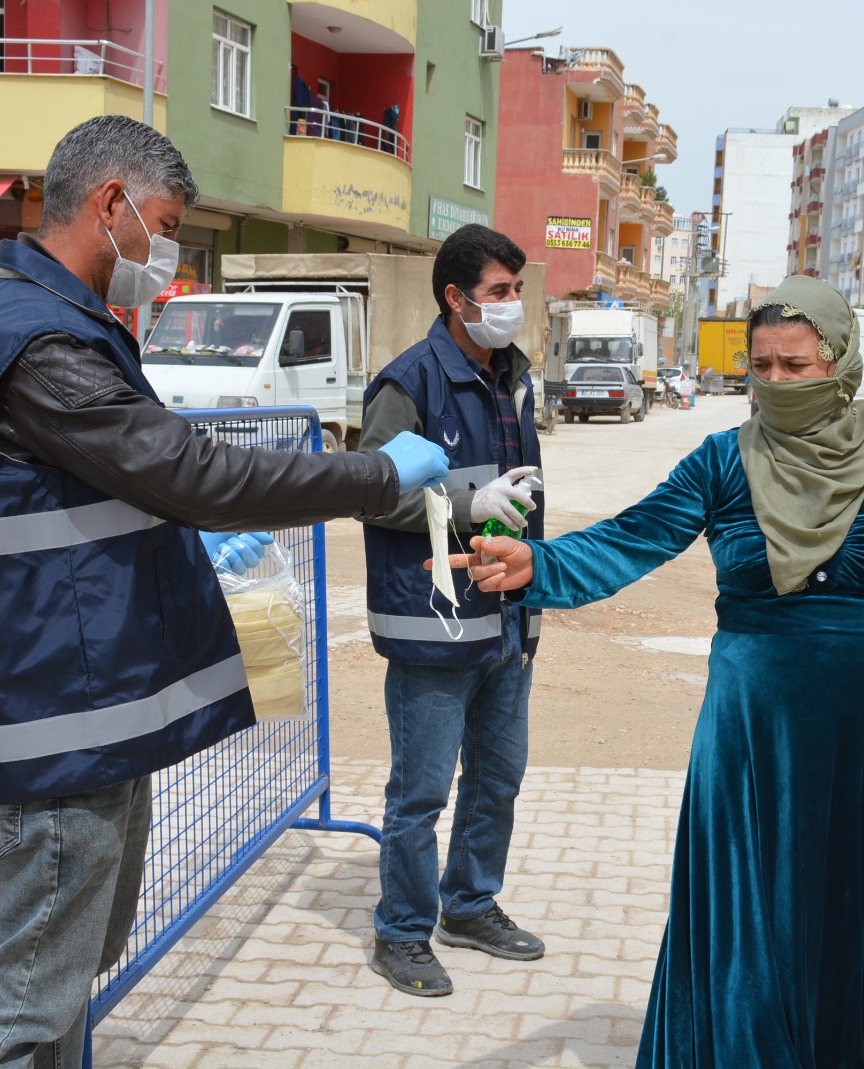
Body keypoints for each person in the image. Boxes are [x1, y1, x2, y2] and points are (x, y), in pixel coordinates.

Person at [0, 114, 449, 1069]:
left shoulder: (70, 325)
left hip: (81, 718)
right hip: (54, 732)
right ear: (110, 204)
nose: (164, 252)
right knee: (15, 1009)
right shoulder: (35, 339)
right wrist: (375, 474)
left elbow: (124, 490)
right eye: (162, 225)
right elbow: (192, 473)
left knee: (61, 983)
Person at [452, 275, 864, 1066]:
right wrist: (535, 563)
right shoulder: (724, 462)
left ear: (840, 361)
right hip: (753, 736)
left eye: (798, 366)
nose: (777, 383)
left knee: (858, 921)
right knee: (749, 929)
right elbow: (628, 540)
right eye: (763, 367)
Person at [357, 223, 547, 997]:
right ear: (455, 297)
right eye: (498, 292)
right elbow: (371, 489)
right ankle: (401, 931)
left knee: (498, 776)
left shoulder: (513, 374)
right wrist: (472, 501)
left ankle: (468, 904)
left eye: (515, 291)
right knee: (423, 790)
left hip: (505, 612)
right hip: (434, 622)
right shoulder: (410, 383)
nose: (512, 305)